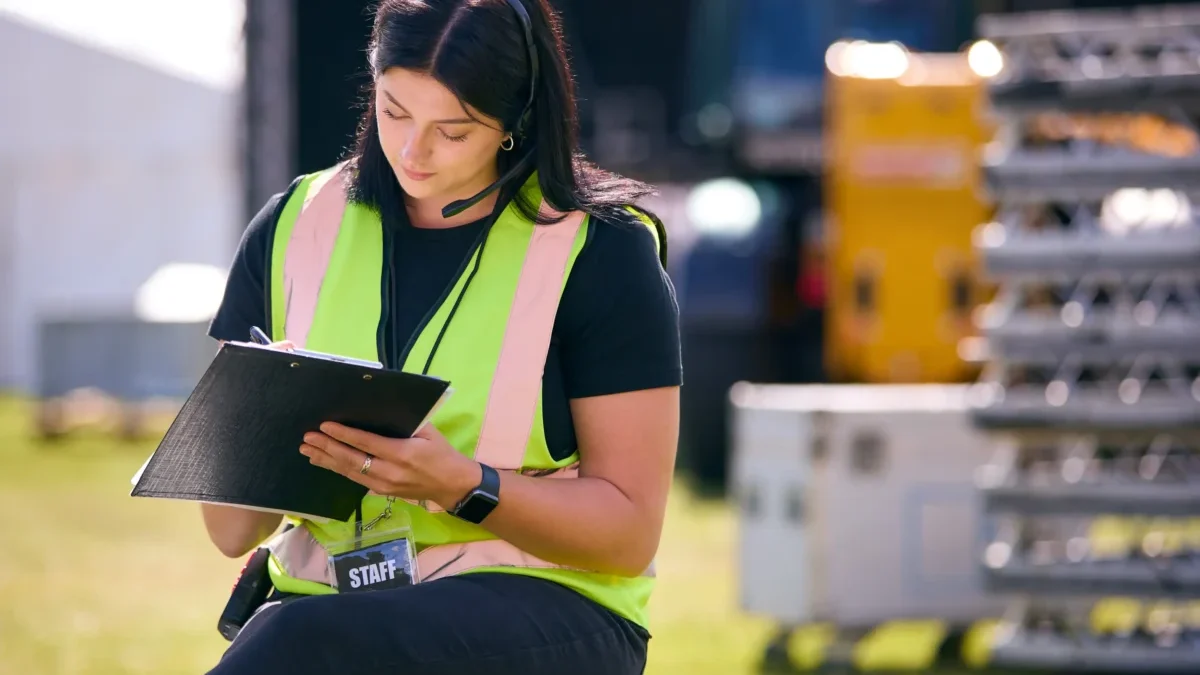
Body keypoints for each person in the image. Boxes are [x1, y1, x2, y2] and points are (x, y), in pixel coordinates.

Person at [200, 0, 681, 673]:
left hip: (544, 604)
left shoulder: (601, 253)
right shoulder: (291, 227)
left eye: (452, 130)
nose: (411, 151)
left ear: (514, 120)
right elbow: (228, 531)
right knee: (299, 634)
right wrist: (265, 426)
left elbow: (629, 532)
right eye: (394, 110)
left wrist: (463, 484)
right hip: (326, 604)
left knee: (297, 644)